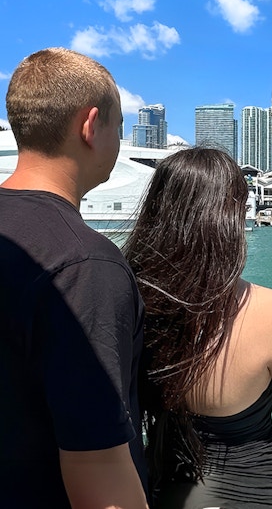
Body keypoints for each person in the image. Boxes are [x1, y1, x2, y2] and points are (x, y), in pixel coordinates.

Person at [124, 147, 272, 508]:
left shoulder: (131, 298)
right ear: (230, 217)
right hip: (252, 493)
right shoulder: (269, 311)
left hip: (161, 491)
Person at [0, 48, 149, 509]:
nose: (121, 139)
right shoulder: (85, 265)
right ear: (90, 126)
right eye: (120, 125)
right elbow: (100, 479)